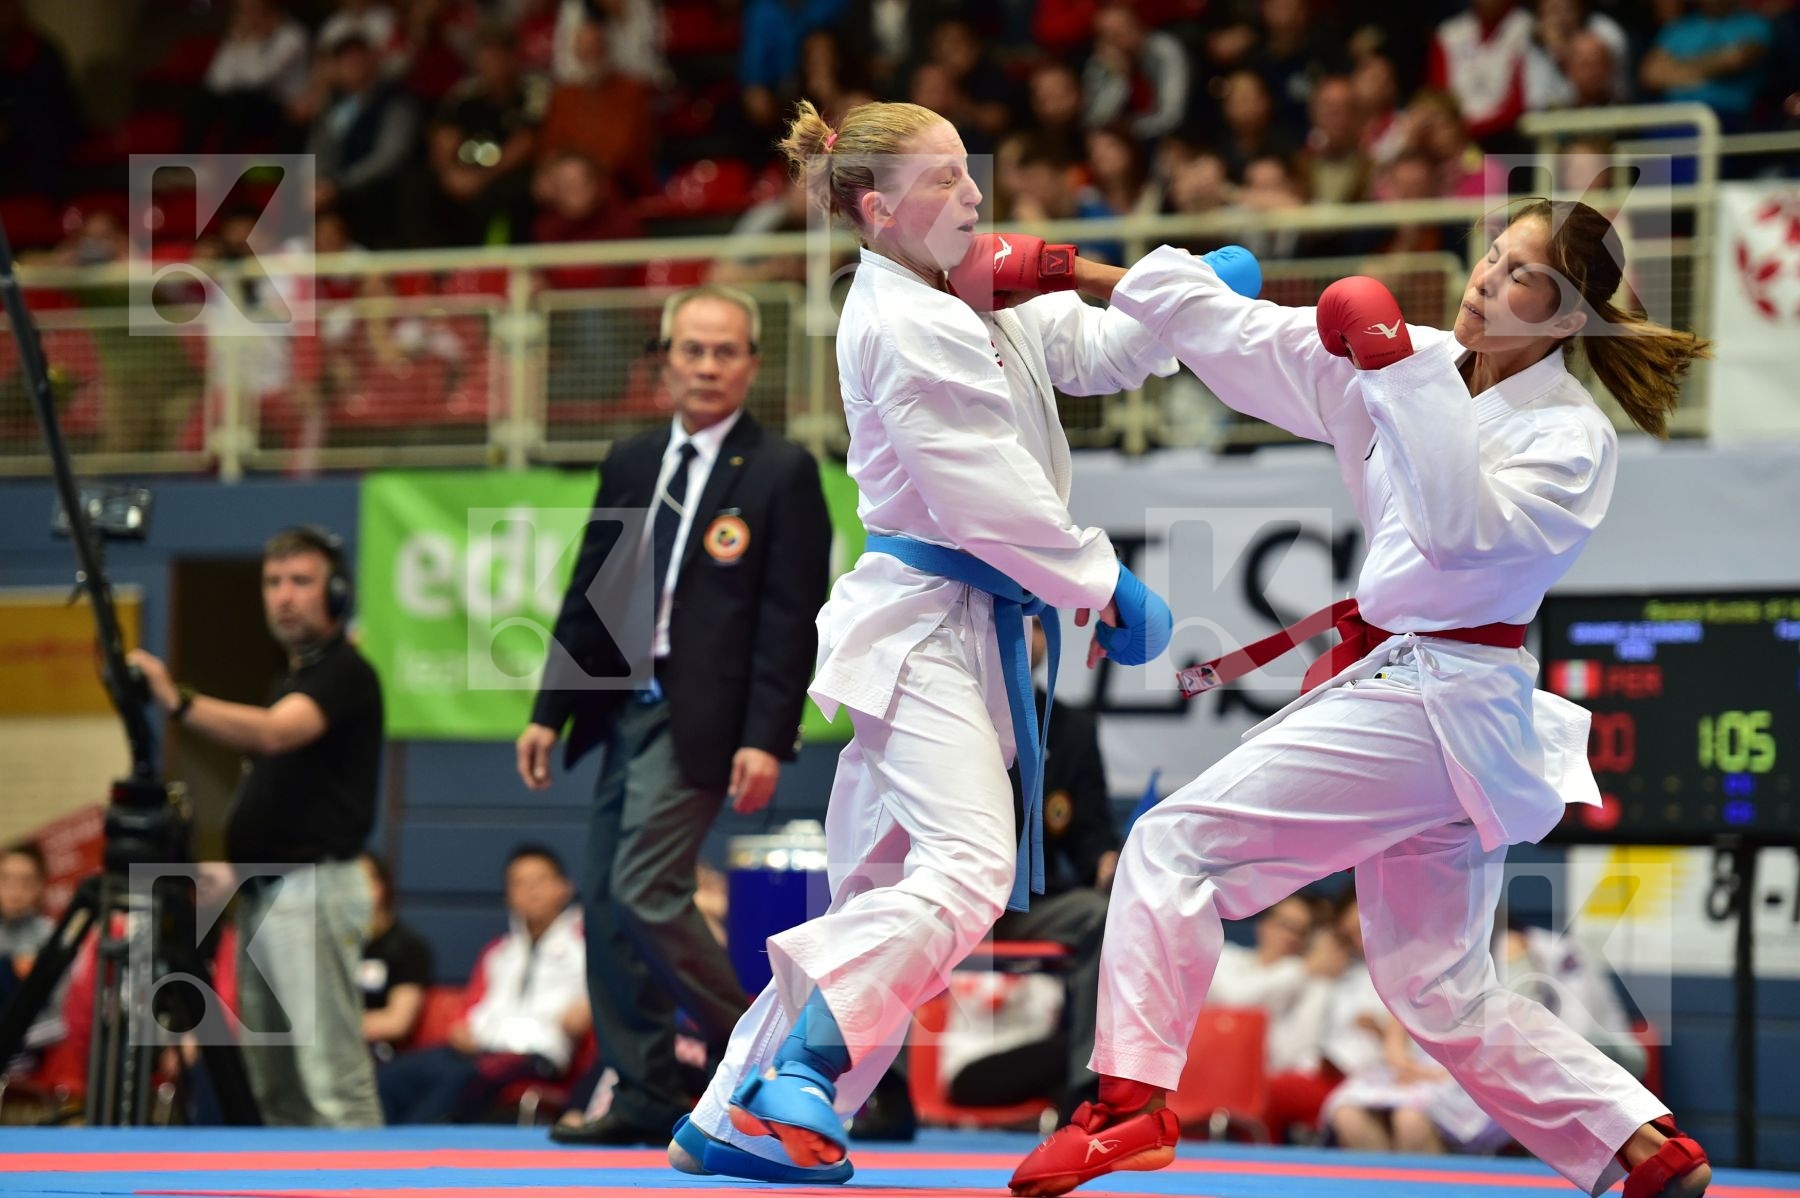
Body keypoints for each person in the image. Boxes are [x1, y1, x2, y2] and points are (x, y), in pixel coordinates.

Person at [1008, 199, 1715, 1198]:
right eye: (1492, 255)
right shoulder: (1413, 359)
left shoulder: (1568, 438)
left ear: (1563, 321)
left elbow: (1455, 534)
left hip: (1441, 698)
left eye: (1521, 276)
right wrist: (1064, 266)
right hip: (1416, 701)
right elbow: (1241, 334)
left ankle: (1129, 1106)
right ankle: (1645, 1151)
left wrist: (1396, 368)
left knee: (1175, 845)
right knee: (1439, 987)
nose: (1484, 279)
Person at [664, 96, 1216, 1187]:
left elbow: (1091, 349)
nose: (973, 194)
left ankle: (730, 1112)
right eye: (945, 180)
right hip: (923, 627)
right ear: (877, 209)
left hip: (962, 628)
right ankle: (809, 1067)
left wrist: (1187, 301)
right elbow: (988, 500)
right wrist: (1105, 585)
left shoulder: (963, 278)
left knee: (877, 900)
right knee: (969, 865)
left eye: (971, 171)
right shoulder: (902, 322)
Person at [517, 283, 833, 1146]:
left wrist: (766, 738)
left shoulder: (781, 471)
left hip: (703, 720)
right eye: (691, 350)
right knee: (610, 906)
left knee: (647, 891)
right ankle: (650, 1091)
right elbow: (591, 594)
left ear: (752, 366)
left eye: (724, 351)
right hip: (620, 709)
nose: (706, 365)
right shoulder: (630, 458)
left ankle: (774, 1052)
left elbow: (787, 621)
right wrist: (550, 711)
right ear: (664, 359)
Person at [128, 525, 384, 1128]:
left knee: (332, 1086)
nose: (285, 596)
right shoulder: (293, 676)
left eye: (302, 580)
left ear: (337, 593)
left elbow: (273, 732)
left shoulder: (346, 672)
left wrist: (177, 701)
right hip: (268, 893)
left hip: (313, 892)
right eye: (273, 582)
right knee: (277, 1092)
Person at [379, 845, 587, 1123]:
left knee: (457, 1082)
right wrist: (463, 1030)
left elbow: (596, 1010)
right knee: (395, 1076)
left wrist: (585, 1013)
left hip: (534, 1056)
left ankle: (411, 1150)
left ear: (565, 887)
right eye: (519, 883)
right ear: (508, 896)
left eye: (540, 881)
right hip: (478, 1050)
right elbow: (472, 1008)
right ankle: (372, 1147)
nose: (531, 891)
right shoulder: (498, 952)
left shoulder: (586, 948)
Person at [358, 852, 435, 1062]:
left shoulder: (407, 947)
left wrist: (331, 1028)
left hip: (379, 1056)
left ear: (380, 887)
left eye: (362, 881)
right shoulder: (330, 947)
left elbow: (396, 1023)